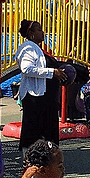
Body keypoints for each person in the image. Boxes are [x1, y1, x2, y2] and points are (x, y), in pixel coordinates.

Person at [15, 20, 68, 155]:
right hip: (34, 97)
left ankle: (47, 161)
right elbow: (27, 69)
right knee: (33, 130)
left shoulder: (39, 49)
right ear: (31, 33)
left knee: (48, 129)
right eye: (39, 29)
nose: (42, 32)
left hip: (45, 97)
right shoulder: (27, 48)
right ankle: (31, 161)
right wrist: (52, 72)